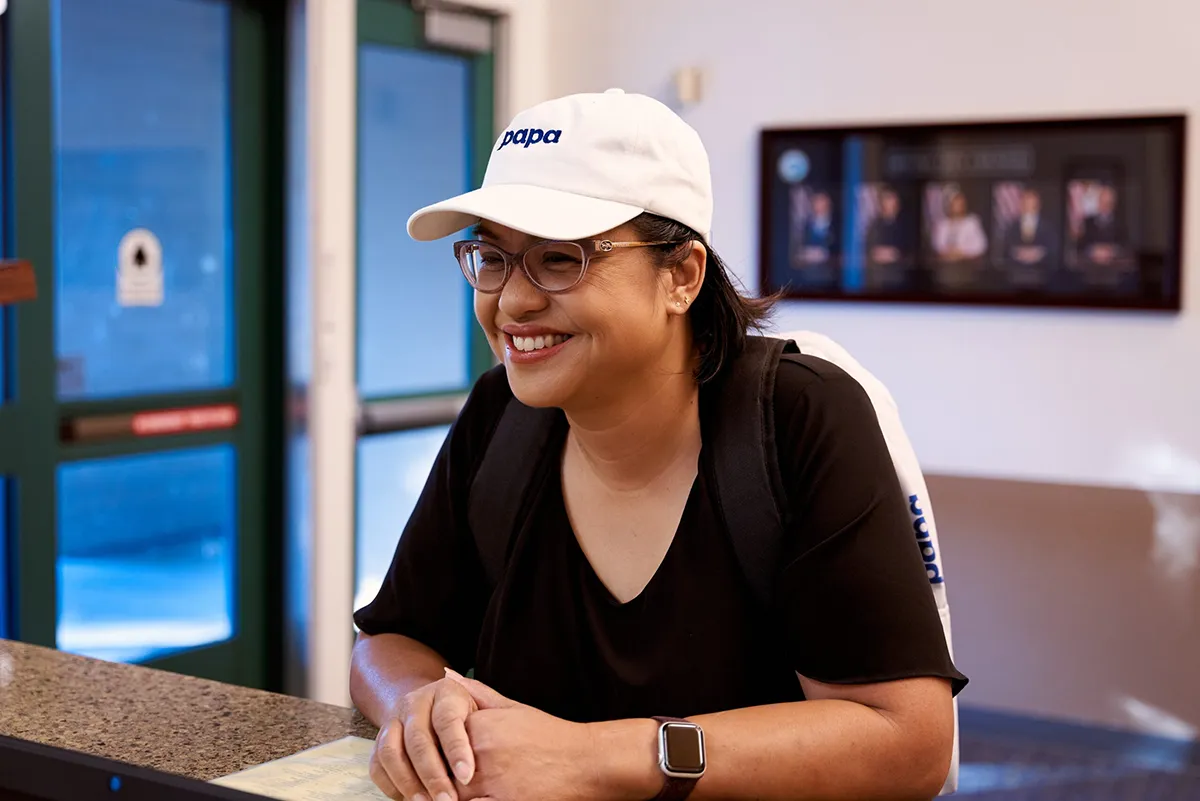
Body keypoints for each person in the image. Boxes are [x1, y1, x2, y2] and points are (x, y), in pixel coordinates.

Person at [351, 88, 967, 801]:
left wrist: (593, 755)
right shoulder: (501, 415)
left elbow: (910, 742)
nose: (512, 301)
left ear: (681, 276)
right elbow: (386, 641)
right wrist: (421, 709)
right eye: (492, 257)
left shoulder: (797, 416)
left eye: (558, 259)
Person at [1000, 187, 1058, 267]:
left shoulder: (1048, 227)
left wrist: (1038, 253)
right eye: (1025, 203)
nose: (1028, 206)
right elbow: (1006, 249)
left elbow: (1053, 248)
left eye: (1031, 203)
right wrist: (1018, 253)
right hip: (1016, 270)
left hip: (1042, 270)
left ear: (1038, 205)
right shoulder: (1012, 227)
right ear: (1020, 205)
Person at [930, 187, 987, 262]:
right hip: (945, 263)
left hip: (966, 263)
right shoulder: (942, 224)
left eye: (960, 204)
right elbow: (937, 245)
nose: (958, 206)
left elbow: (981, 246)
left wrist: (961, 252)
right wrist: (949, 253)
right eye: (955, 203)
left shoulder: (972, 222)